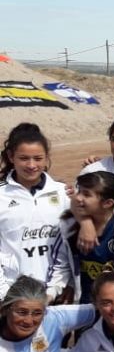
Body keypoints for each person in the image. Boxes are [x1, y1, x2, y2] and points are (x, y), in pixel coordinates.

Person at [53, 172, 114, 304]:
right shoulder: (68, 225)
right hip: (83, 304)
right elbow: (63, 266)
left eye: (86, 194)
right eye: (79, 191)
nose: (78, 197)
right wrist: (51, 293)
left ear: (108, 203)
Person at [0, 123, 70, 300]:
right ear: (11, 157)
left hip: (55, 295)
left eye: (38, 158)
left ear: (46, 158)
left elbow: (69, 247)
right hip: (11, 296)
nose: (31, 165)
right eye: (24, 158)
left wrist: (59, 288)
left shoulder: (64, 194)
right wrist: (5, 295)